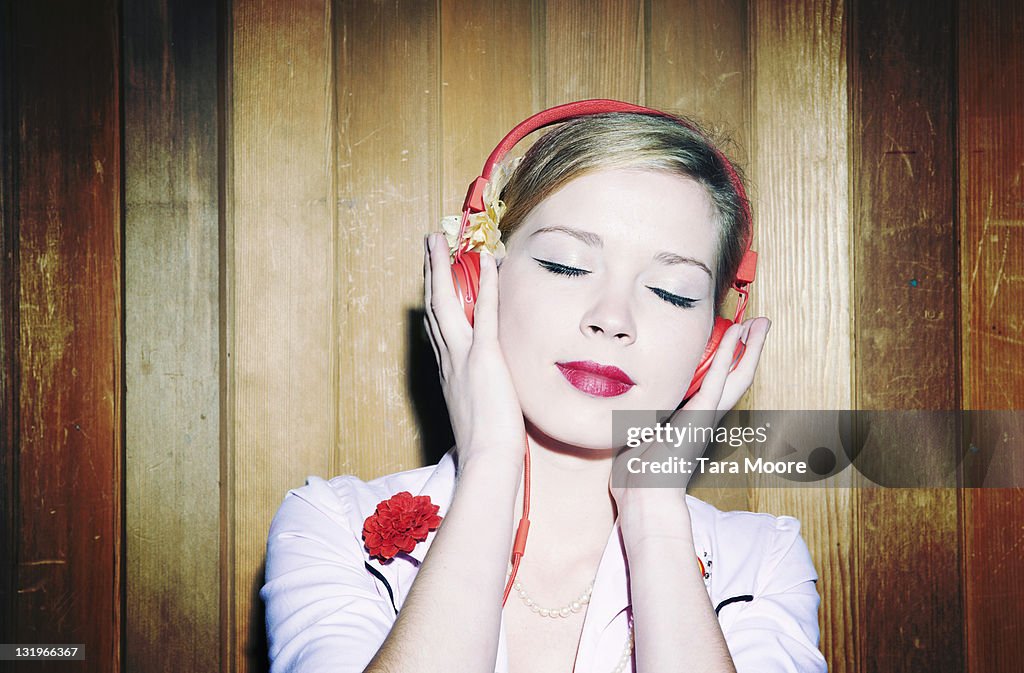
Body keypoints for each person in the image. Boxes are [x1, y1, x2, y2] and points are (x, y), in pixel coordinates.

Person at [261, 102, 828, 673]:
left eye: (673, 292)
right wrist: (489, 466)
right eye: (565, 264)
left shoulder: (763, 563)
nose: (612, 317)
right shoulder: (332, 525)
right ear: (478, 283)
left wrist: (654, 514)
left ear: (713, 346)